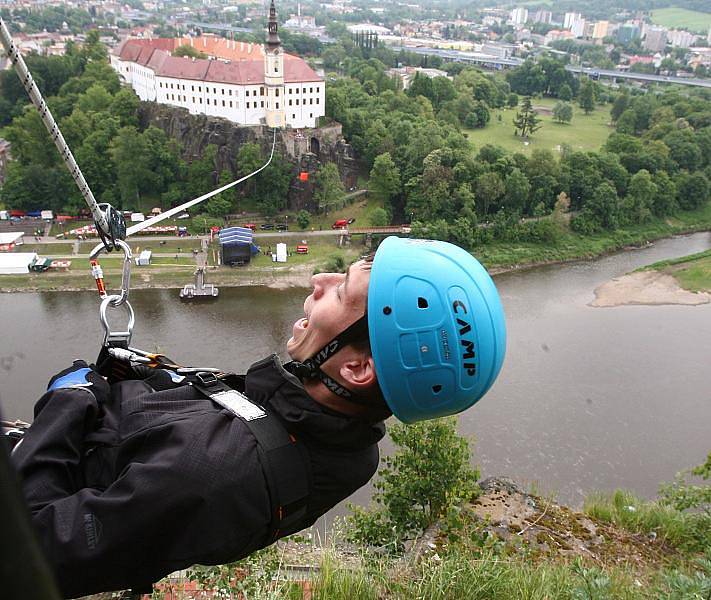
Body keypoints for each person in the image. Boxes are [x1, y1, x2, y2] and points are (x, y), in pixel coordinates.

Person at [10, 236, 506, 598]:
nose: (319, 281)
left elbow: (32, 552)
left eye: (341, 291)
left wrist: (67, 404)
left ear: (356, 367)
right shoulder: (338, 438)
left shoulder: (214, 473)